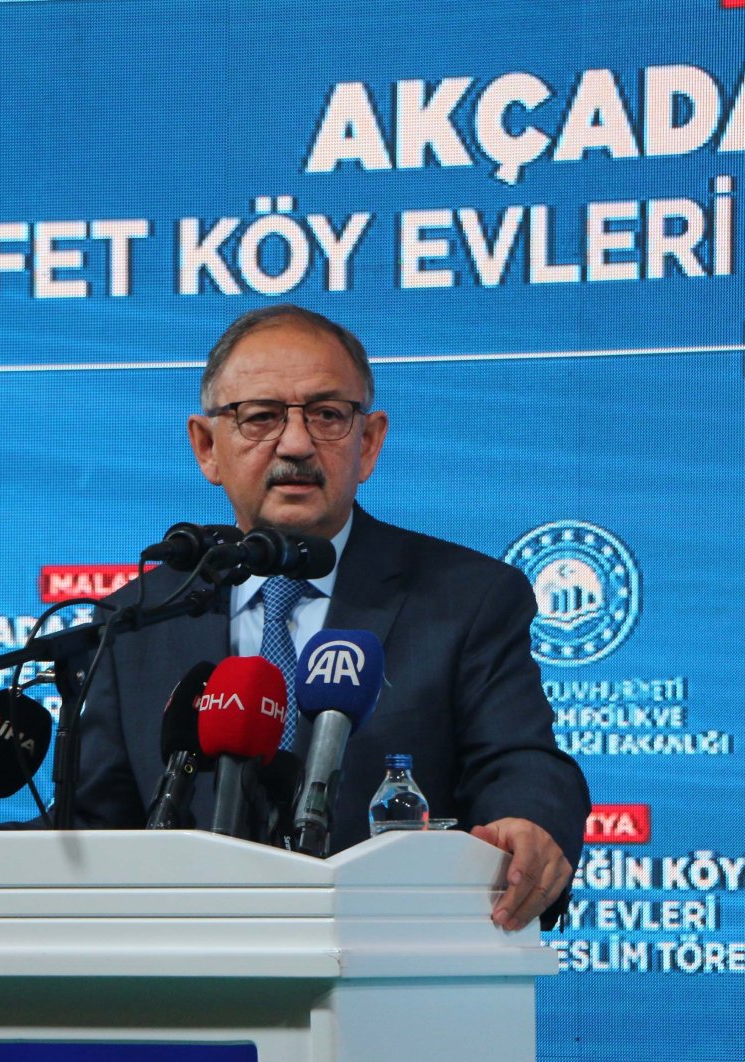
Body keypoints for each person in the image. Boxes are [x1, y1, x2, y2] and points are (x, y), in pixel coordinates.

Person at [63, 304, 589, 931]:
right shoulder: (135, 620)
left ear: (368, 443)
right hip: (184, 975)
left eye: (328, 416)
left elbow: (522, 761)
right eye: (259, 417)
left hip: (389, 967)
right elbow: (92, 828)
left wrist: (528, 822)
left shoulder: (465, 597)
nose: (295, 444)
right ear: (207, 448)